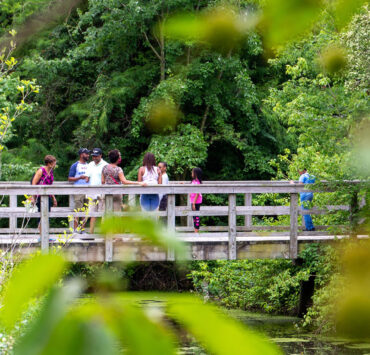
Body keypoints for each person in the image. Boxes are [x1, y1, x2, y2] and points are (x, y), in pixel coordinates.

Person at [31, 155, 57, 233]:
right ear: (49, 163)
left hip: (48, 195)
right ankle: (41, 236)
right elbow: (34, 183)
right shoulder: (41, 170)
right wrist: (33, 197)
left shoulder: (51, 171)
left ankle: (46, 235)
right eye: (54, 162)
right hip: (39, 196)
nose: (55, 164)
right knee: (41, 216)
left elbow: (49, 186)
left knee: (47, 216)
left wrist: (54, 198)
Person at [85, 148, 108, 233]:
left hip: (102, 192)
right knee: (92, 214)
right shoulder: (90, 164)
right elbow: (87, 177)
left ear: (101, 155)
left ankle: (104, 234)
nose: (94, 158)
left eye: (96, 156)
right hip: (91, 193)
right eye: (93, 156)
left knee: (103, 214)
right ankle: (91, 234)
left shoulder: (105, 165)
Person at [68, 148, 90, 232]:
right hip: (78, 190)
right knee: (78, 210)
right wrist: (80, 177)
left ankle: (82, 229)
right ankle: (75, 229)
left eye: (88, 154)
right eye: (86, 154)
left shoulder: (89, 165)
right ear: (81, 155)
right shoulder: (75, 165)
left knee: (85, 210)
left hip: (88, 190)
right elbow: (70, 178)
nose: (88, 155)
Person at [190, 167, 203, 233]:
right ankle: (196, 230)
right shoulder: (193, 181)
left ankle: (196, 231)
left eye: (192, 172)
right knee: (194, 216)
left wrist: (194, 203)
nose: (191, 173)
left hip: (196, 201)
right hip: (192, 200)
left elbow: (197, 193)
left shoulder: (198, 182)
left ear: (196, 173)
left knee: (196, 216)